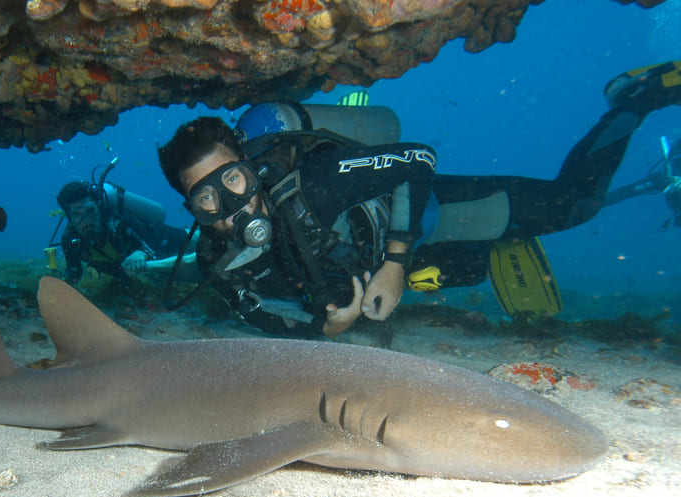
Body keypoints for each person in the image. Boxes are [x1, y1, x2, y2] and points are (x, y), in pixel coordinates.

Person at [157, 60, 681, 338]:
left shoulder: (317, 182)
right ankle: (483, 257)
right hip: (402, 261)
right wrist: (324, 328)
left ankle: (634, 103)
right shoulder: (217, 262)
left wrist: (394, 264)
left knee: (575, 206)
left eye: (233, 181)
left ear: (251, 169)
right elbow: (262, 320)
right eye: (206, 198)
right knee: (469, 271)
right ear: (191, 209)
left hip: (429, 214)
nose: (231, 206)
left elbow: (418, 160)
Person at [55, 168, 189, 283]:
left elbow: (154, 244)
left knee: (202, 240)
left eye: (90, 211)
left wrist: (141, 254)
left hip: (170, 238)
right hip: (161, 272)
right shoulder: (70, 241)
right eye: (77, 215)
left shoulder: (120, 224)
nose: (86, 220)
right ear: (70, 218)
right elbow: (74, 274)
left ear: (99, 209)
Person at [602, 135, 681, 229]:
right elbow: (625, 192)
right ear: (670, 165)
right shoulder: (663, 180)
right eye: (679, 164)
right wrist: (594, 203)